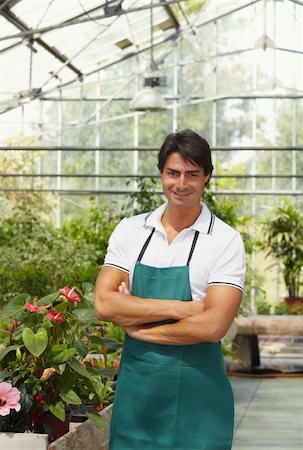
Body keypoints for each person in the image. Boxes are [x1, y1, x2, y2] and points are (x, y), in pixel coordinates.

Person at [94, 129, 246, 450]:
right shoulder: (131, 230)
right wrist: (183, 309)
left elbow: (213, 325)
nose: (181, 184)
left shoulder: (225, 240)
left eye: (192, 174)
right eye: (173, 173)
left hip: (200, 404)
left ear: (207, 177)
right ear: (161, 174)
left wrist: (140, 327)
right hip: (138, 399)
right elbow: (106, 305)